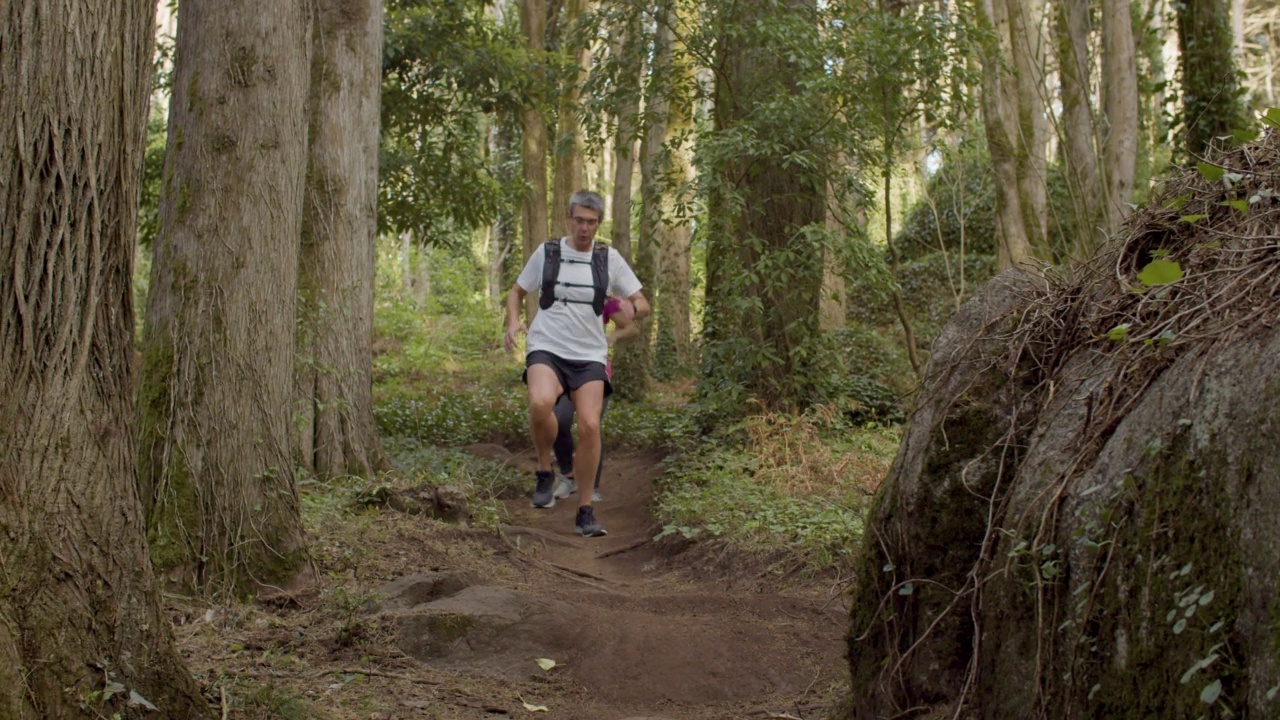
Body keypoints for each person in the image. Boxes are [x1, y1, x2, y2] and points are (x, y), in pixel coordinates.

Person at [505, 191, 650, 537]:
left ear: (599, 224)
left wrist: (633, 309)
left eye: (592, 222)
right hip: (547, 344)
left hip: (589, 354)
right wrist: (513, 322)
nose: (585, 228)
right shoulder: (548, 252)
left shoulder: (608, 259)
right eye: (579, 220)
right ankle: (545, 471)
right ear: (568, 218)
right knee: (541, 403)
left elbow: (640, 303)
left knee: (589, 424)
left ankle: (585, 511)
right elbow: (516, 292)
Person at [551, 295, 639, 503]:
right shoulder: (559, 294)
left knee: (591, 426)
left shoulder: (605, 299)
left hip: (596, 371)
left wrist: (613, 337)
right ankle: (567, 475)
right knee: (558, 419)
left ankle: (592, 487)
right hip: (564, 370)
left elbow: (631, 328)